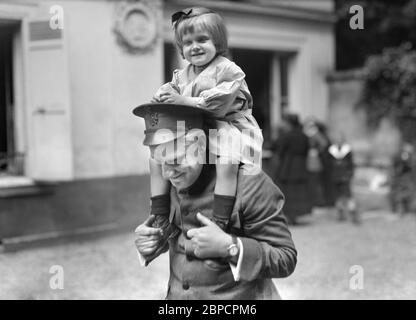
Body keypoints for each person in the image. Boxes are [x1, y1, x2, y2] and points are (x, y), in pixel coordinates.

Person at [132, 103, 297, 300]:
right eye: (160, 163)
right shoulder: (171, 181)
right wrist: (150, 243)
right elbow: (176, 235)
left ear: (200, 144)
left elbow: (286, 257)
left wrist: (230, 246)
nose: (167, 174)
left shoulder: (250, 184)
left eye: (176, 161)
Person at [147, 7, 263, 260]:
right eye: (187, 43)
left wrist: (183, 100)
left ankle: (220, 219)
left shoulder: (228, 70)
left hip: (227, 125)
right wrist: (162, 97)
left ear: (217, 42)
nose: (195, 47)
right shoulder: (183, 73)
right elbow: (170, 91)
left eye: (202, 40)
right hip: (194, 127)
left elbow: (219, 102)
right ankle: (159, 212)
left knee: (227, 161)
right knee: (157, 157)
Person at [273, 113, 311, 224]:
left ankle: (290, 215)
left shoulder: (286, 136)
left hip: (288, 166)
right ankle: (295, 216)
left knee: (288, 190)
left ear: (289, 123)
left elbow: (279, 150)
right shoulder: (304, 135)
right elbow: (306, 150)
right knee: (298, 190)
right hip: (301, 166)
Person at [328, 132, 359, 224]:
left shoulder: (347, 150)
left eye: (340, 139)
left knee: (348, 195)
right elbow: (328, 164)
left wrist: (349, 174)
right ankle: (340, 213)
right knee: (337, 195)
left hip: (345, 175)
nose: (339, 141)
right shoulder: (331, 150)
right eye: (337, 139)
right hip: (335, 175)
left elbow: (351, 164)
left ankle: (353, 212)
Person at [390, 143, 415, 215]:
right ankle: (401, 210)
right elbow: (405, 164)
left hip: (405, 178)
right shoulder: (405, 154)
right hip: (403, 178)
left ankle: (405, 210)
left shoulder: (405, 155)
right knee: (403, 194)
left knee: (406, 193)